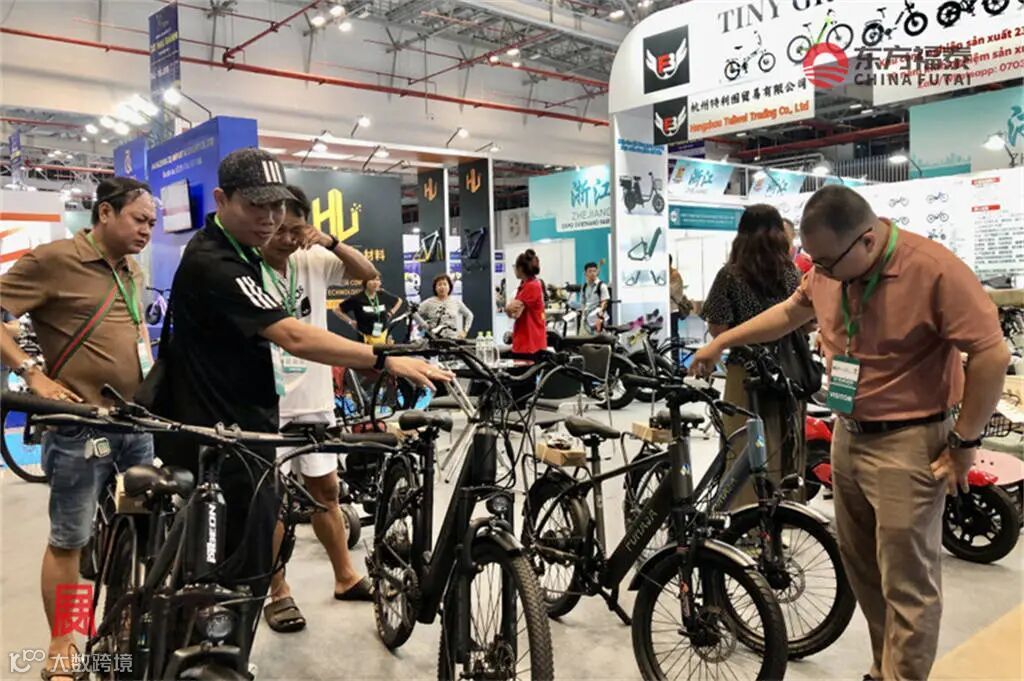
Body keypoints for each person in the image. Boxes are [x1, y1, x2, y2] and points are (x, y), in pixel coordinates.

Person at [693, 185, 1009, 681]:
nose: (817, 271)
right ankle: (884, 668)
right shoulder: (828, 270)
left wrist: (965, 441)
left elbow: (992, 353)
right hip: (849, 433)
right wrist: (723, 342)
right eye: (812, 260)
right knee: (864, 570)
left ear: (867, 240)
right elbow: (791, 312)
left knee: (907, 581)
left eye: (826, 262)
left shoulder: (934, 270)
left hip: (909, 440)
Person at [151, 149, 449, 656]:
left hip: (252, 420)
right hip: (226, 432)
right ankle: (212, 653)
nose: (271, 220)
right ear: (222, 199)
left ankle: (230, 645)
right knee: (231, 569)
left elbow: (362, 278)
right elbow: (294, 335)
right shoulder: (216, 261)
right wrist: (383, 359)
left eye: (278, 208)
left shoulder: (247, 251)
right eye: (257, 206)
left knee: (290, 515)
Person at [0, 177, 157, 681]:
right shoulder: (54, 260)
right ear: (105, 213)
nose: (148, 230)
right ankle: (64, 640)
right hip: (79, 427)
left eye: (153, 223)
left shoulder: (132, 268)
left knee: (140, 525)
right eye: (139, 219)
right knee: (71, 538)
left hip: (135, 421)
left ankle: (122, 616)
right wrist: (33, 374)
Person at [257, 185, 380, 632]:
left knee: (326, 493)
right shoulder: (246, 268)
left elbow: (368, 274)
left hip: (313, 399)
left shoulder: (312, 259)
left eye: (295, 229)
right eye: (279, 229)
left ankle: (345, 577)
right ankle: (279, 591)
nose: (287, 239)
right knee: (269, 501)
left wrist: (330, 241)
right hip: (266, 403)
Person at [701, 204, 803, 507]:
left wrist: (743, 333)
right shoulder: (791, 273)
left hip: (745, 372)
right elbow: (803, 321)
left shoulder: (730, 275)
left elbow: (718, 327)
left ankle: (745, 515)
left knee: (743, 443)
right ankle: (782, 511)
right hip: (787, 370)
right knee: (785, 440)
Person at [336, 275, 403, 344]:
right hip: (365, 337)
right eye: (372, 280)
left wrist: (391, 313)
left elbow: (399, 301)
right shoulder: (357, 298)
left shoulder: (382, 294)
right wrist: (350, 322)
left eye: (377, 280)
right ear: (365, 282)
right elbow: (337, 310)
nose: (375, 283)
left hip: (383, 335)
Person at [505, 249, 546, 355]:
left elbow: (515, 313)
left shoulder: (531, 286)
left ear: (520, 268)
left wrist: (507, 308)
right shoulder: (526, 285)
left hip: (529, 343)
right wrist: (509, 308)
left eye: (515, 267)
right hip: (526, 341)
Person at [418, 273, 473, 339]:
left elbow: (469, 315)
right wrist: (423, 327)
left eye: (445, 284)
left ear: (449, 286)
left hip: (452, 339)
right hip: (434, 340)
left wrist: (465, 331)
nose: (442, 287)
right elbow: (414, 313)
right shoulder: (429, 302)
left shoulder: (456, 302)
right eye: (439, 284)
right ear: (435, 288)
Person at [668, 255, 692, 360]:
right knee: (670, 335)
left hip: (673, 310)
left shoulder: (675, 275)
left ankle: (675, 359)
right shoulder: (667, 274)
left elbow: (670, 291)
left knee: (673, 335)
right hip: (666, 310)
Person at [579, 261, 610, 334]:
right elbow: (582, 302)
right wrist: (583, 314)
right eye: (590, 271)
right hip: (586, 318)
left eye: (594, 271)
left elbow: (605, 302)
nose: (593, 273)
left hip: (598, 318)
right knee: (583, 339)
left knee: (599, 339)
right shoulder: (584, 286)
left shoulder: (602, 286)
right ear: (585, 273)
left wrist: (600, 316)